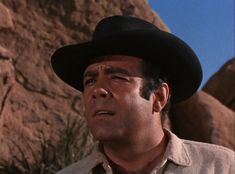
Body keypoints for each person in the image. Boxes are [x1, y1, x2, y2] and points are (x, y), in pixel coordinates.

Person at [51, 16, 234, 174]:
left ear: (159, 96)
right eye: (90, 80)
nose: (97, 90)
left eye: (117, 77)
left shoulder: (221, 167)